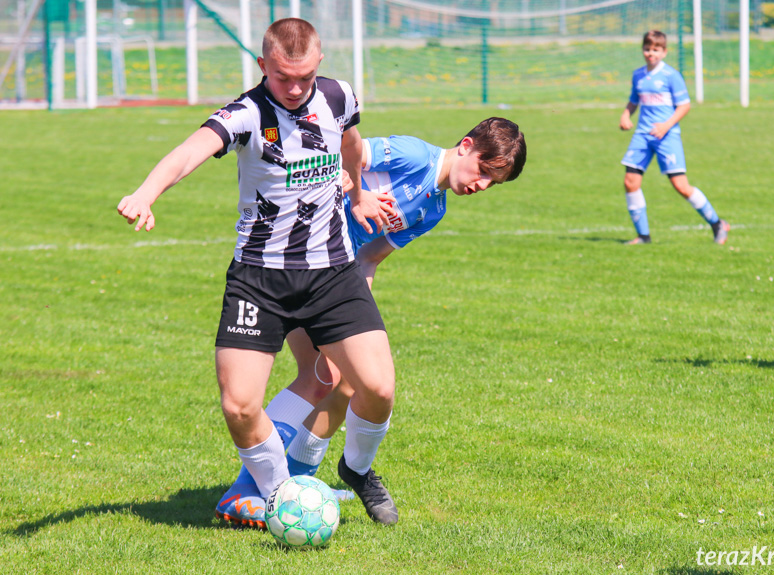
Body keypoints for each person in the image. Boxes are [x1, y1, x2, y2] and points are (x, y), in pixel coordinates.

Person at [117, 18, 402, 527]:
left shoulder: (338, 97)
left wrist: (359, 194)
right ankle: (280, 496)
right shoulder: (246, 114)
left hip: (332, 273)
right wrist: (146, 192)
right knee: (240, 406)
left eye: (304, 77)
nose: (294, 89)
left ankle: (356, 470)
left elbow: (352, 145)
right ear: (262, 65)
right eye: (282, 77)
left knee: (378, 388)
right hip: (259, 278)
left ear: (319, 66)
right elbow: (189, 152)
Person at [214, 118, 527, 529]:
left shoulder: (434, 209)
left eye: (494, 183)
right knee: (321, 379)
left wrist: (356, 317)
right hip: (296, 256)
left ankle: (294, 483)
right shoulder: (414, 156)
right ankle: (248, 489)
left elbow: (370, 257)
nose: (482, 185)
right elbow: (350, 151)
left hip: (336, 278)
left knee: (340, 381)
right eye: (485, 172)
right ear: (466, 146)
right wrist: (344, 181)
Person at [619, 30, 730, 245]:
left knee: (681, 186)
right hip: (643, 135)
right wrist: (625, 114)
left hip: (667, 136)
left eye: (655, 50)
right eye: (647, 49)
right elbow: (634, 99)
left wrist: (666, 125)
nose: (650, 54)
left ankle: (717, 223)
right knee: (630, 182)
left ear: (664, 52)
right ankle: (643, 236)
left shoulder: (671, 76)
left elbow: (684, 105)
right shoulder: (638, 75)